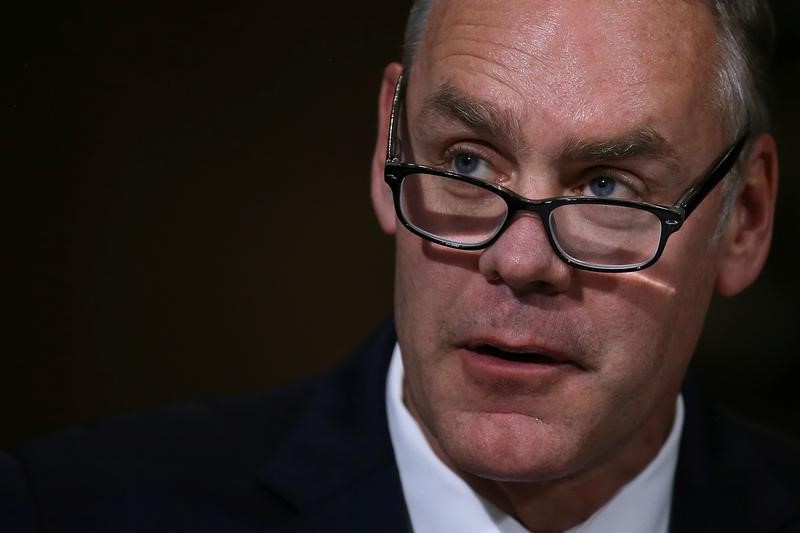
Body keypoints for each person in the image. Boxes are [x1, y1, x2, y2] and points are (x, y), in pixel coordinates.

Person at [2, 0, 799, 531]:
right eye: (469, 165)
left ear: (746, 219)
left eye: (607, 186)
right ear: (391, 145)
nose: (517, 259)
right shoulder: (69, 507)